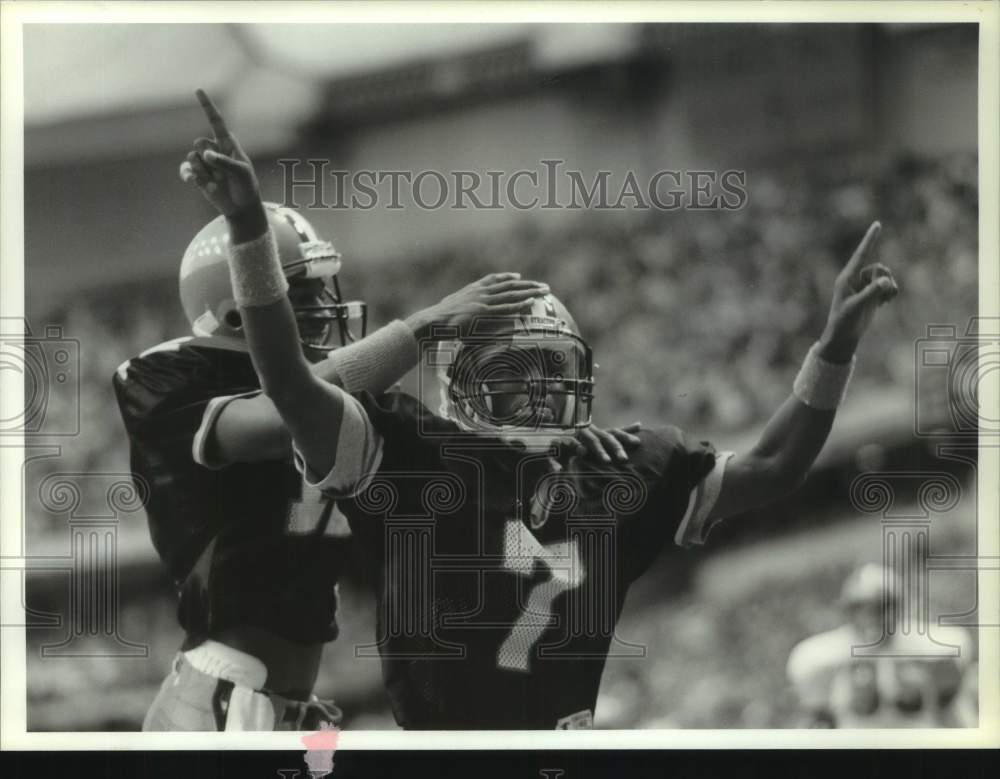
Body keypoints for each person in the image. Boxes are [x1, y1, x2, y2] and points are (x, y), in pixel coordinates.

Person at [186, 88, 900, 729]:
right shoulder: (403, 449)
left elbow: (774, 466)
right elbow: (288, 381)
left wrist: (833, 350)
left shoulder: (617, 464)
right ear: (460, 382)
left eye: (550, 367)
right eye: (515, 369)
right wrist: (250, 229)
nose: (538, 388)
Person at [116, 189, 636, 733]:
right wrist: (425, 324)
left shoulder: (345, 409)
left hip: (281, 703)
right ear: (236, 312)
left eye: (322, 290)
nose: (323, 307)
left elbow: (451, 451)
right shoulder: (166, 380)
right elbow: (280, 413)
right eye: (303, 293)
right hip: (221, 698)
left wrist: (545, 434)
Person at [786, 564, 976, 728]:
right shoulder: (821, 657)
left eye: (881, 608)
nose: (872, 618)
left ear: (899, 607)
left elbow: (953, 710)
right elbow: (818, 719)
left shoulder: (934, 646)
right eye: (861, 609)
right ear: (848, 612)